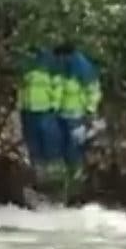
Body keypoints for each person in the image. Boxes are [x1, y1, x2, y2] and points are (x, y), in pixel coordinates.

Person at [51, 42, 101, 197]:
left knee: (74, 153)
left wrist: (90, 112)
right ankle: (65, 189)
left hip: (77, 118)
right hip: (62, 117)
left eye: (60, 58)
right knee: (64, 153)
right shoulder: (64, 68)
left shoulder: (83, 68)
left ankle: (75, 190)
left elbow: (93, 92)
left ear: (66, 56)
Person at [18, 48, 59, 185]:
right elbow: (22, 90)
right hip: (32, 112)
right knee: (35, 144)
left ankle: (51, 177)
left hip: (44, 112)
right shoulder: (27, 70)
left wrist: (54, 106)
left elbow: (57, 89)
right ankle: (40, 177)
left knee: (46, 144)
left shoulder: (51, 69)